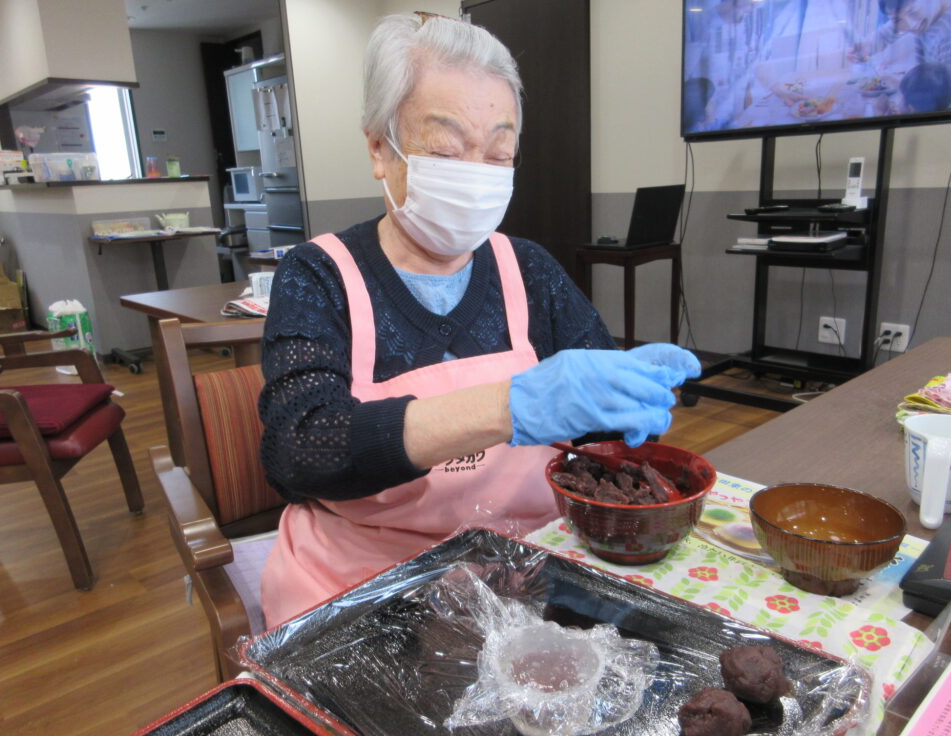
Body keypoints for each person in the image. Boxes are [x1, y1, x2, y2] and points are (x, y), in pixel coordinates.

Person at [258, 12, 700, 629]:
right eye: (445, 150)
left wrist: (623, 397)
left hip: (525, 578)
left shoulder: (530, 270)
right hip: (367, 594)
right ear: (379, 148)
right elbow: (299, 451)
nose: (475, 176)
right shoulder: (319, 275)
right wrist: (507, 408)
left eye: (499, 154)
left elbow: (598, 444)